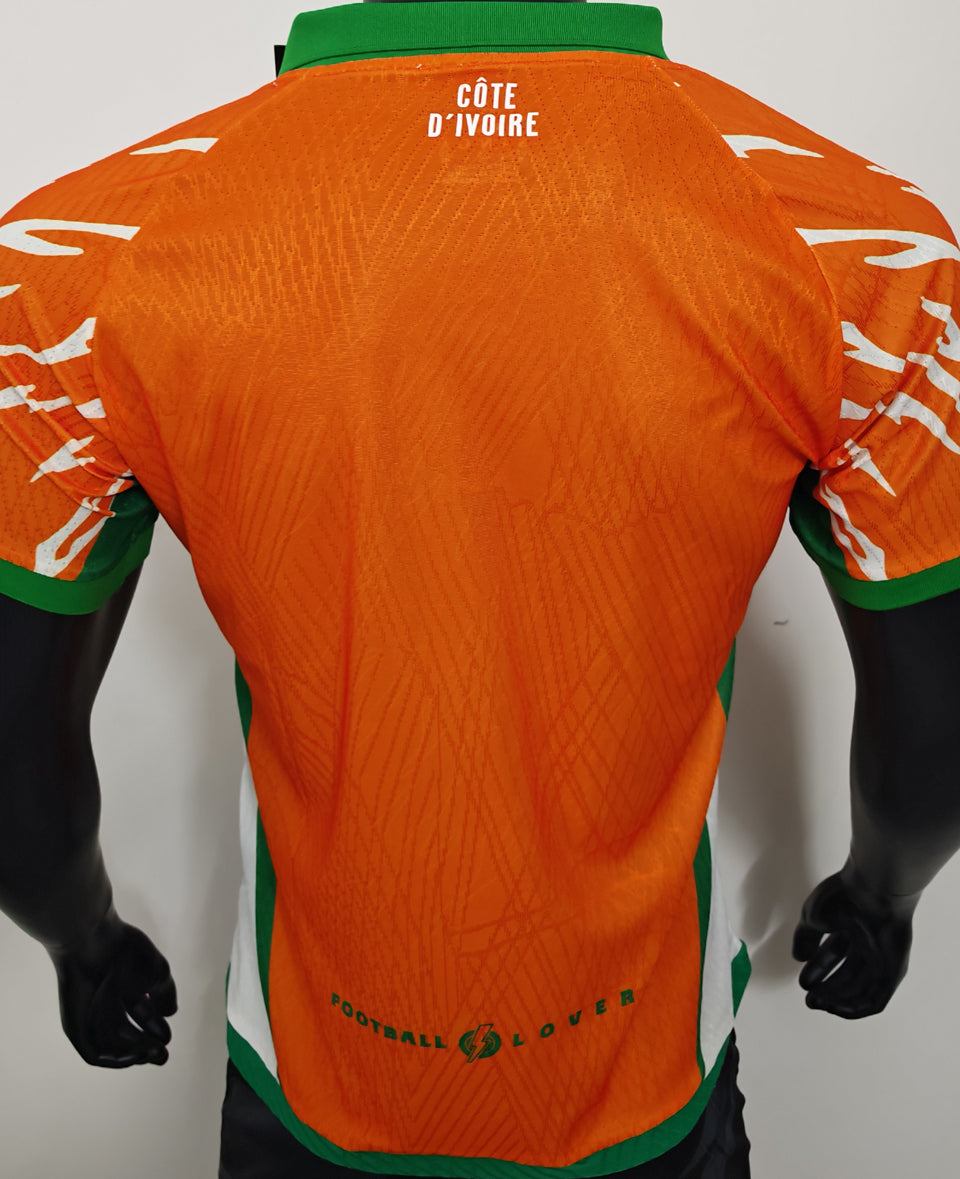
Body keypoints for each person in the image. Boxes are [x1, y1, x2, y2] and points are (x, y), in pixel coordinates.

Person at [1, 2, 959, 1176]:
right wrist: (881, 896)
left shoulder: (80, 260)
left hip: (316, 1081)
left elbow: (11, 740)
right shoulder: (857, 247)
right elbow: (937, 714)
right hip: (646, 1082)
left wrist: (83, 942)